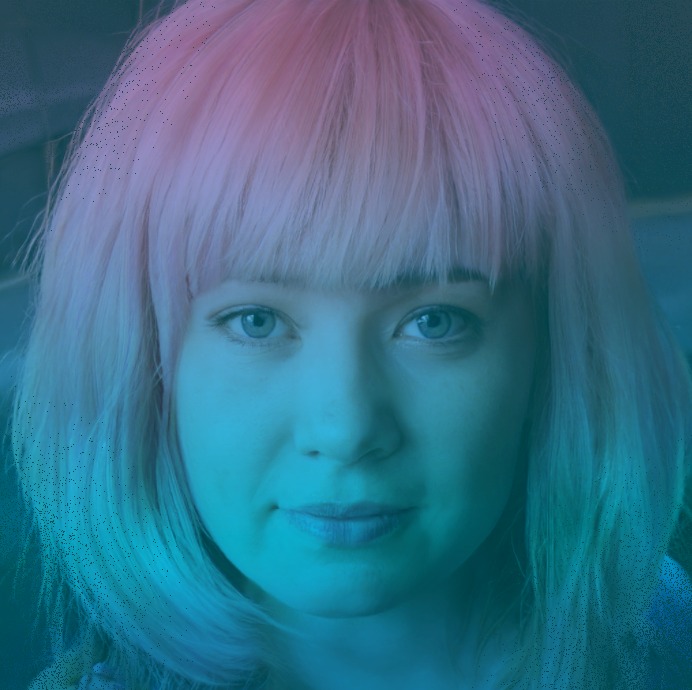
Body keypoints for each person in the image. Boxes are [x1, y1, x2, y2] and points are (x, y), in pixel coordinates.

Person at [9, 0, 692, 688]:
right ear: (146, 366)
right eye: (256, 320)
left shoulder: (663, 641)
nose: (345, 430)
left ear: (552, 357)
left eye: (434, 321)